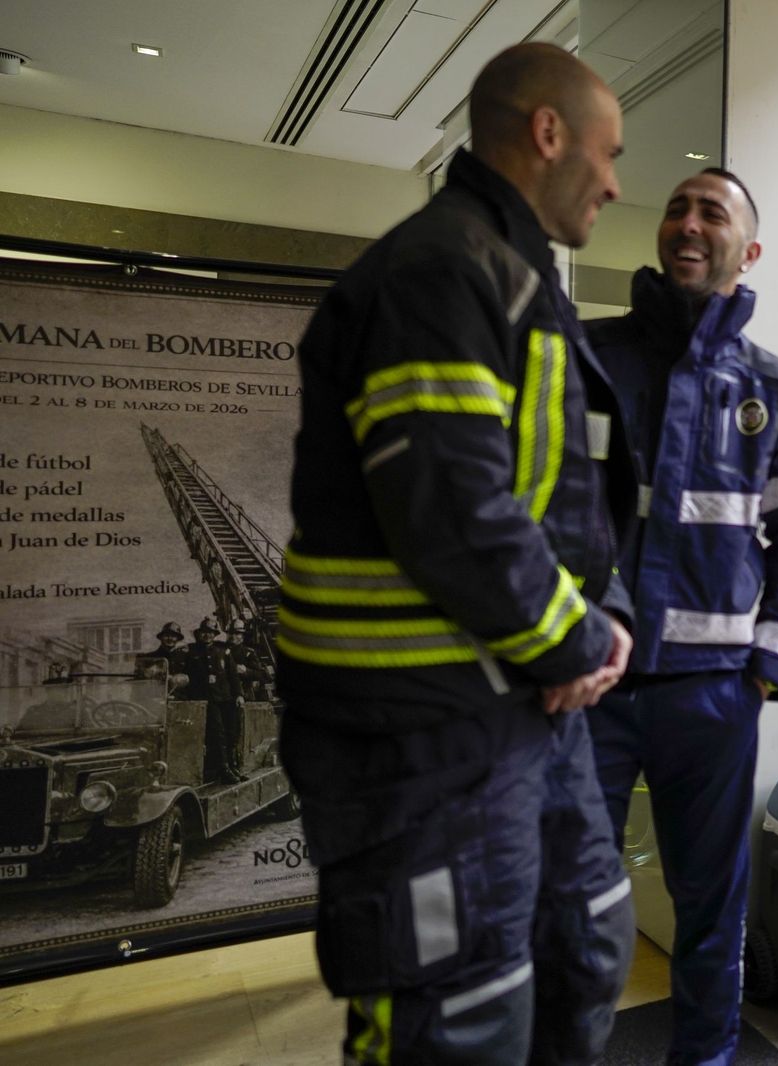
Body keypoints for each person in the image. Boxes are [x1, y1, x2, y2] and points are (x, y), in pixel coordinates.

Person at [273, 43, 639, 1065]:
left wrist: (593, 630)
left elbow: (550, 507)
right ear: (547, 132)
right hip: (421, 734)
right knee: (453, 1025)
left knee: (582, 950)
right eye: (607, 153)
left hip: (514, 707)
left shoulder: (510, 272)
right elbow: (453, 506)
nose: (615, 182)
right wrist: (577, 646)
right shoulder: (444, 268)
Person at [585, 168, 778, 1065]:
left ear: (748, 249)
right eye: (676, 208)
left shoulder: (774, 389)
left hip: (712, 700)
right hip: (589, 690)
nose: (688, 224)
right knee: (563, 902)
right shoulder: (589, 358)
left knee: (710, 911)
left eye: (713, 213)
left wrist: (767, 669)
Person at [182, 616, 244, 783]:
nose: (207, 636)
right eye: (204, 632)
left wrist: (238, 695)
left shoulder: (223, 651)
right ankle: (223, 769)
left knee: (232, 732)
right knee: (218, 734)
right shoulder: (191, 652)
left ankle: (233, 766)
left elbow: (233, 676)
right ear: (199, 634)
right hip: (206, 700)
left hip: (226, 698)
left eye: (210, 633)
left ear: (215, 635)